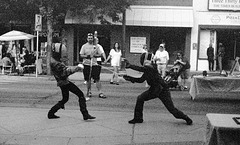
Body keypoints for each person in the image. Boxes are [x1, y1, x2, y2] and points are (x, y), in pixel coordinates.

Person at [123, 53, 193, 125]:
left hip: (160, 89)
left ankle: (186, 118)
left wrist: (130, 66)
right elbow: (141, 80)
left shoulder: (151, 68)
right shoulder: (149, 69)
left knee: (171, 109)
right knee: (140, 98)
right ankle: (138, 118)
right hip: (159, 89)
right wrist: (130, 79)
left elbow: (141, 69)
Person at [48, 45, 95, 121]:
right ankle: (85, 114)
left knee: (65, 99)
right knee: (80, 95)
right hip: (64, 82)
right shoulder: (56, 64)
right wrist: (77, 68)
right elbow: (65, 72)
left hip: (62, 82)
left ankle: (51, 113)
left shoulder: (54, 62)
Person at [80, 33, 106, 100]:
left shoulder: (96, 46)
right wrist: (88, 56)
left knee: (97, 79)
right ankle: (89, 92)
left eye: (91, 38)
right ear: (87, 39)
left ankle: (100, 92)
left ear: (93, 39)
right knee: (88, 79)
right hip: (86, 64)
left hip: (95, 64)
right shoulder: (84, 46)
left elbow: (100, 54)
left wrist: (95, 55)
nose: (90, 39)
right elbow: (81, 55)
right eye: (89, 38)